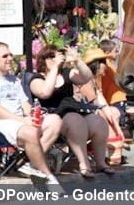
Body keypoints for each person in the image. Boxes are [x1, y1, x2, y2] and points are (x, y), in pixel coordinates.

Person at [0, 42, 62, 184]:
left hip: (18, 120)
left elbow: (25, 104)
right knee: (30, 132)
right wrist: (23, 121)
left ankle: (30, 164)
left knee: (55, 120)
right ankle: (48, 175)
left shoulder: (14, 80)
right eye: (5, 56)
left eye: (10, 55)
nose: (10, 58)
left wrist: (32, 115)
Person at [28, 44, 114, 178]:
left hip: (74, 110)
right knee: (75, 120)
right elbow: (45, 92)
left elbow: (86, 77)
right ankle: (84, 164)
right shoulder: (36, 79)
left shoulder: (67, 74)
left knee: (98, 122)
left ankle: (101, 163)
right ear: (43, 60)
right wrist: (54, 69)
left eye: (56, 56)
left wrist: (77, 61)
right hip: (53, 116)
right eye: (51, 57)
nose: (55, 59)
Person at [78, 47, 127, 166]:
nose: (106, 65)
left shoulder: (95, 80)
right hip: (82, 114)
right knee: (104, 118)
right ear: (96, 65)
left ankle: (113, 152)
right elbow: (96, 104)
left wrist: (118, 129)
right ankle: (109, 153)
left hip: (93, 112)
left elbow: (103, 104)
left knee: (112, 114)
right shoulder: (85, 81)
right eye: (104, 63)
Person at [98, 39, 128, 122]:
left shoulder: (107, 64)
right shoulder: (108, 65)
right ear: (107, 53)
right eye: (115, 51)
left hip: (111, 97)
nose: (117, 54)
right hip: (115, 98)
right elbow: (117, 80)